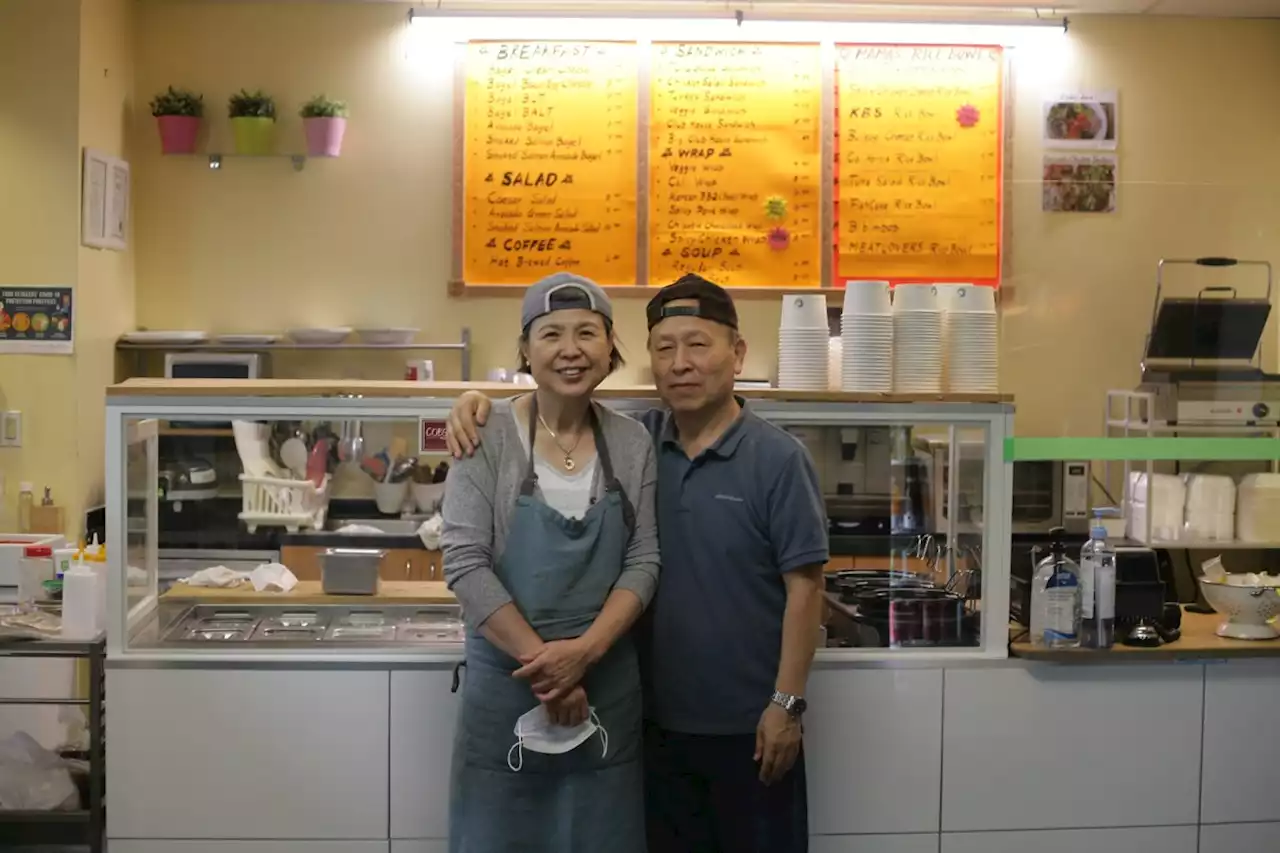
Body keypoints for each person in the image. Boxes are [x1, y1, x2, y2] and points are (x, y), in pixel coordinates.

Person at [446, 273, 828, 853]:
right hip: (638, 714)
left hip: (735, 719)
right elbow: (466, 560)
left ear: (737, 353)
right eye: (666, 348)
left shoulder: (755, 456)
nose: (681, 363)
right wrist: (474, 401)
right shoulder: (635, 435)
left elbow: (801, 586)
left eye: (698, 345)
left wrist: (787, 703)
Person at [440, 271, 660, 853]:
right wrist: (548, 671)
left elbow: (644, 559)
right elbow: (463, 563)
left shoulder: (632, 441)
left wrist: (583, 656)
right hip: (510, 687)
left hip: (604, 683)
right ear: (525, 350)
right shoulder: (484, 436)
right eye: (551, 334)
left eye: (587, 333)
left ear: (610, 348)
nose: (571, 350)